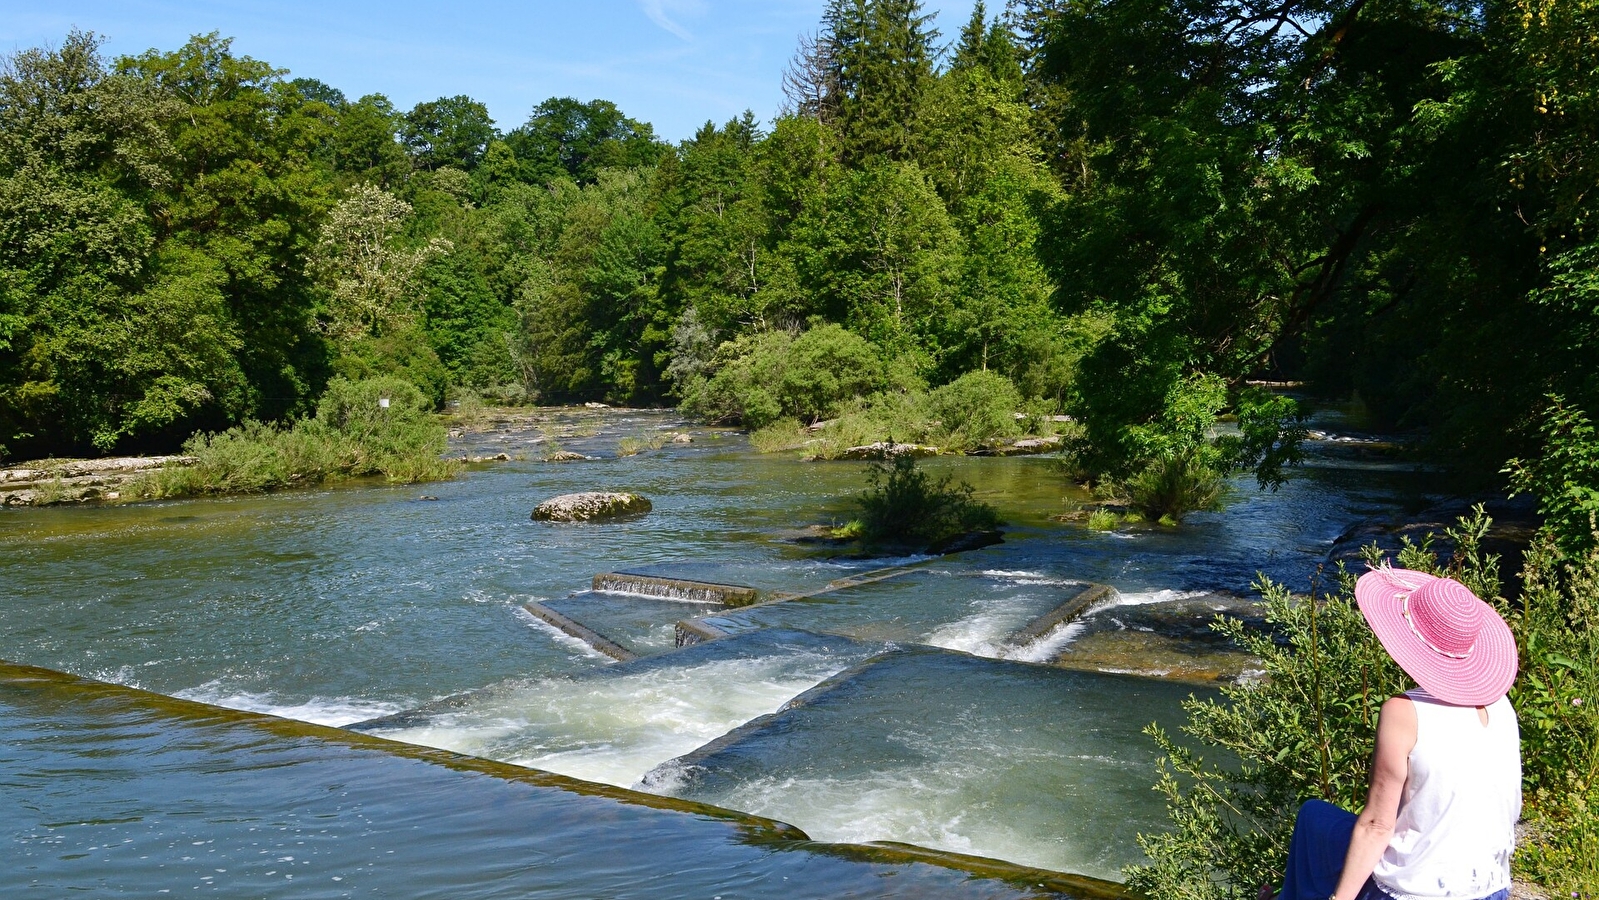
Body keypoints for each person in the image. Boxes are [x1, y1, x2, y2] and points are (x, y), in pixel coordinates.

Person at [1272, 565, 1522, 900]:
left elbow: (1377, 826)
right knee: (1320, 821)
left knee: (1313, 817)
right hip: (1493, 888)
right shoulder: (1500, 703)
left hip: (1418, 892)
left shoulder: (1404, 712)